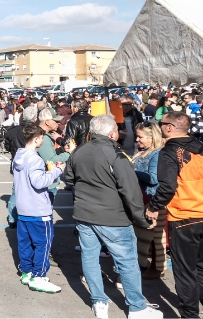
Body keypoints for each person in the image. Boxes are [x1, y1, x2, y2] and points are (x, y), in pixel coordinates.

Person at [65, 115, 161, 319]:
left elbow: (69, 178)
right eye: (117, 130)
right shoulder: (116, 155)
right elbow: (131, 191)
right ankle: (137, 307)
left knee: (90, 259)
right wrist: (141, 218)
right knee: (127, 262)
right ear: (111, 134)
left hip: (84, 214)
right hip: (112, 217)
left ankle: (99, 302)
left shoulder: (79, 151)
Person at [146, 112, 203, 318]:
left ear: (169, 127)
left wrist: (153, 206)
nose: (160, 128)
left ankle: (190, 315)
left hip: (184, 217)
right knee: (200, 267)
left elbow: (168, 186)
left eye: (161, 124)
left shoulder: (170, 151)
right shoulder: (199, 146)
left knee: (185, 271)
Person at [13, 124, 62, 293]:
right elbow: (39, 182)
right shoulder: (34, 158)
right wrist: (56, 171)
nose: (43, 140)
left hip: (23, 208)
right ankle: (39, 276)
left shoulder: (19, 155)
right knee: (43, 244)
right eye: (41, 137)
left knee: (25, 244)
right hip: (38, 209)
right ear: (36, 139)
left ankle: (27, 271)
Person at [131, 122, 167, 280]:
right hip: (142, 198)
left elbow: (153, 179)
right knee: (145, 237)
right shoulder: (142, 151)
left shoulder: (157, 153)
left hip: (152, 200)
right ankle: (148, 265)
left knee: (154, 238)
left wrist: (131, 171)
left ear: (152, 137)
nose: (137, 139)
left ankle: (156, 268)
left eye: (140, 136)